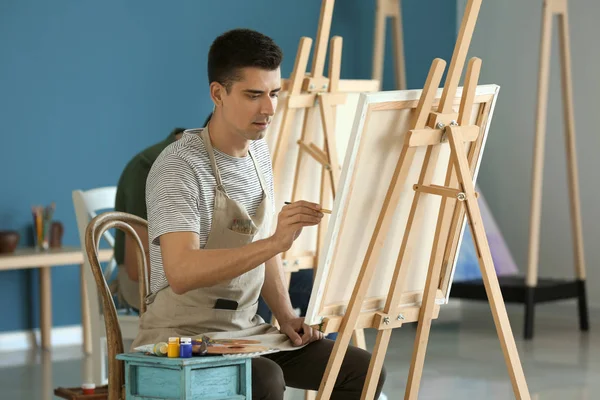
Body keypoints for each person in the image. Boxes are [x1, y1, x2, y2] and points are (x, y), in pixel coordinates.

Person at [132, 29, 386, 399]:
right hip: (180, 338)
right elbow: (182, 272)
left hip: (246, 332)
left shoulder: (258, 154)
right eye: (253, 95)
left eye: (273, 94)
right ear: (218, 93)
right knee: (265, 379)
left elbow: (264, 253)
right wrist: (275, 242)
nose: (268, 109)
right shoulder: (179, 166)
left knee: (361, 370)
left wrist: (285, 316)